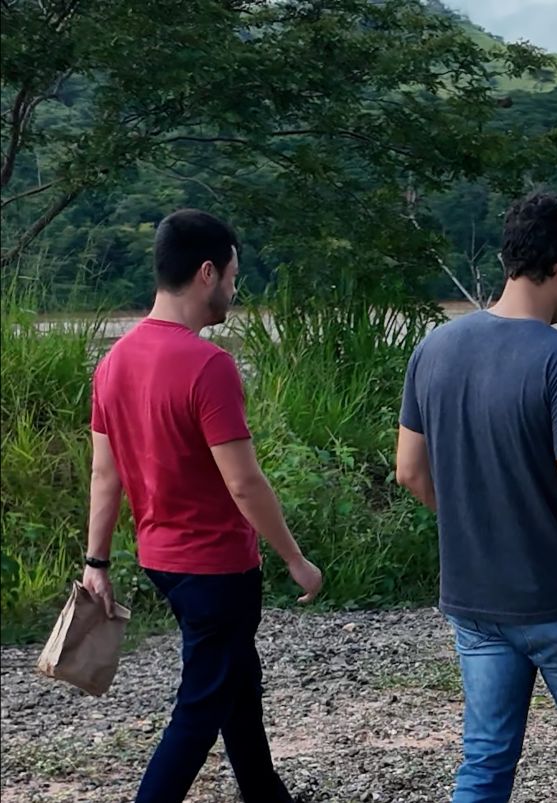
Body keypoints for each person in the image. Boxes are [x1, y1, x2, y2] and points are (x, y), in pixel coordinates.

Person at [395, 192, 557, 803]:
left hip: (474, 601)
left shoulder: (434, 348)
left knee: (484, 761)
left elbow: (409, 471)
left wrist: (478, 522)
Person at [80, 209, 324, 803]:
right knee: (200, 708)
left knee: (237, 682)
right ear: (207, 273)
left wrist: (98, 561)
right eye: (234, 277)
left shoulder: (114, 362)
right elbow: (245, 483)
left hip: (163, 560)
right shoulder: (208, 365)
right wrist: (295, 559)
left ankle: (267, 794)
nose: (235, 292)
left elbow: (104, 474)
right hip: (215, 566)